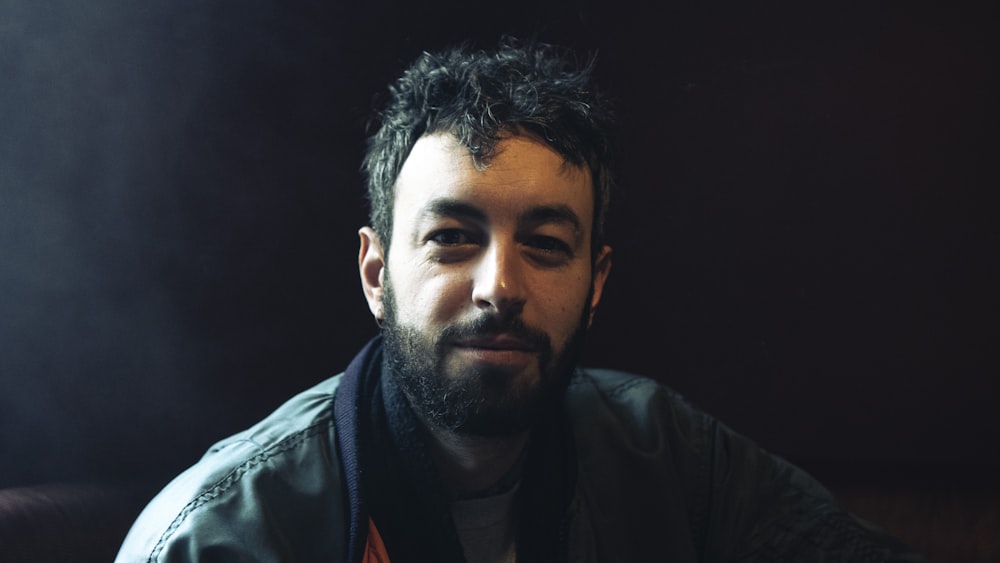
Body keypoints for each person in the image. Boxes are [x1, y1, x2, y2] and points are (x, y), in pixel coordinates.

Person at [116, 37, 927, 562]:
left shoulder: (671, 459)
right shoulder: (218, 537)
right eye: (452, 237)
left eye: (545, 244)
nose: (501, 286)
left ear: (596, 281)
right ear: (375, 274)